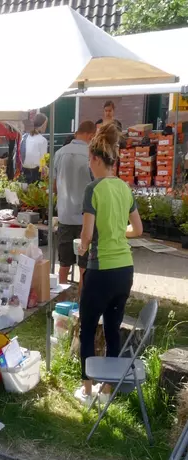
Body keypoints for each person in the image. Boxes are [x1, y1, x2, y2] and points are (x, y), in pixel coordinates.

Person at [74, 122, 143, 406]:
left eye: (90, 161)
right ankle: (106, 389)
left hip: (101, 271)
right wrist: (117, 233)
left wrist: (81, 246)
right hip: (124, 271)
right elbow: (137, 230)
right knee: (113, 329)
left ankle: (87, 390)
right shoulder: (124, 188)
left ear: (95, 159)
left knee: (88, 327)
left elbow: (87, 235)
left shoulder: (93, 189)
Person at [54, 121, 96, 289]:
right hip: (85, 217)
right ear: (90, 135)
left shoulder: (59, 153)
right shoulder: (91, 155)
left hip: (64, 215)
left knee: (64, 264)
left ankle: (61, 301)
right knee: (84, 265)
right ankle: (82, 301)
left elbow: (54, 187)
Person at [21, 113, 48, 184]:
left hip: (23, 170)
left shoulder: (24, 137)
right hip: (36, 173)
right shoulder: (42, 140)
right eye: (46, 124)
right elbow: (43, 160)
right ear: (42, 125)